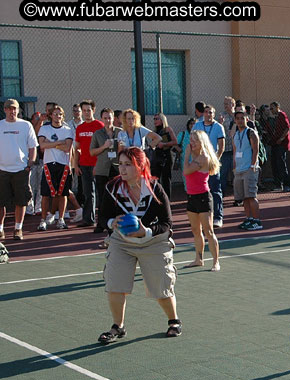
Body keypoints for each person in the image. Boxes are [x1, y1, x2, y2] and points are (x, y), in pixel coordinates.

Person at [97, 146, 181, 344]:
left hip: (153, 242)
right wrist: (112, 223)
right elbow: (102, 217)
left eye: (128, 164)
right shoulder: (112, 188)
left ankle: (173, 320)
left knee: (161, 286)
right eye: (121, 165)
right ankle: (118, 326)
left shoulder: (154, 188)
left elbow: (167, 225)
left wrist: (147, 231)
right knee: (115, 284)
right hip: (122, 242)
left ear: (140, 165)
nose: (122, 169)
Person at [0, 99, 38, 241]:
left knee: (21, 200)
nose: (12, 111)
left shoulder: (26, 125)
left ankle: (18, 229)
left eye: (14, 109)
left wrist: (29, 164)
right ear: (4, 110)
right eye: (9, 108)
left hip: (21, 170)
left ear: (18, 110)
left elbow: (33, 147)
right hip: (2, 170)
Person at [184, 130, 221, 271]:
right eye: (191, 140)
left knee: (209, 231)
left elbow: (186, 171)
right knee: (195, 230)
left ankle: (215, 261)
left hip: (203, 197)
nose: (191, 143)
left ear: (202, 143)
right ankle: (199, 259)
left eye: (195, 140)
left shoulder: (203, 158)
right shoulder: (194, 155)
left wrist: (186, 154)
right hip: (192, 197)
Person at [37, 105, 74, 231]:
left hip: (63, 165)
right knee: (45, 194)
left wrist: (51, 144)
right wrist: (59, 143)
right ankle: (43, 220)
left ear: (63, 116)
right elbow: (42, 145)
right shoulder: (44, 128)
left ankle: (61, 219)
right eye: (55, 114)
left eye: (60, 114)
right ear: (51, 115)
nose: (57, 116)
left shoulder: (67, 130)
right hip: (48, 165)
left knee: (62, 193)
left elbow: (67, 148)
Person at [90, 108, 124, 233]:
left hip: (116, 169)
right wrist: (104, 147)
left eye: (109, 117)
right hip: (102, 170)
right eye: (105, 118)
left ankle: (117, 222)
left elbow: (124, 149)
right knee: (102, 198)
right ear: (101, 119)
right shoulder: (97, 134)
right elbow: (92, 152)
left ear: (113, 118)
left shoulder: (120, 132)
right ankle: (101, 223)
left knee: (117, 197)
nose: (107, 120)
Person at [192, 105, 226, 228]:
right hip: (199, 163)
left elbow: (221, 146)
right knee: (201, 190)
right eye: (206, 112)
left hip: (212, 163)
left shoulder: (218, 127)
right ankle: (202, 217)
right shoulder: (197, 126)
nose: (208, 114)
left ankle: (218, 217)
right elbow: (192, 143)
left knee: (215, 190)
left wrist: (215, 160)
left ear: (214, 114)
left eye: (210, 112)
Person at [74, 99, 104, 228]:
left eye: (88, 110)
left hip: (99, 165)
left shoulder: (99, 126)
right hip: (84, 165)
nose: (86, 113)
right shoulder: (80, 128)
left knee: (102, 193)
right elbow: (77, 149)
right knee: (87, 193)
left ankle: (104, 220)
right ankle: (88, 219)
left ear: (93, 110)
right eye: (84, 110)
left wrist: (100, 164)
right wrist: (75, 165)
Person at [232, 110, 263, 231]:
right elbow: (235, 152)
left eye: (242, 118)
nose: (240, 120)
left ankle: (256, 220)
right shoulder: (235, 134)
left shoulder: (251, 133)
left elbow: (256, 150)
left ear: (247, 119)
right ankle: (249, 218)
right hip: (239, 169)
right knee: (244, 197)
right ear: (235, 120)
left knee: (251, 195)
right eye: (238, 118)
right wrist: (234, 167)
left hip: (249, 169)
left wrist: (252, 165)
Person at [151, 113, 178, 199]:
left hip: (166, 155)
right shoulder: (154, 131)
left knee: (166, 179)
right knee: (155, 177)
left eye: (157, 119)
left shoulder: (167, 129)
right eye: (154, 119)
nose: (155, 121)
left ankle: (167, 199)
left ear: (162, 120)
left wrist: (164, 144)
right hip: (157, 156)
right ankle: (157, 198)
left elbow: (175, 142)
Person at [175, 117, 197, 192]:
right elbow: (175, 144)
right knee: (186, 175)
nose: (192, 125)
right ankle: (187, 190)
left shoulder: (199, 134)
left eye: (194, 123)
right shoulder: (183, 134)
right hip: (184, 158)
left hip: (196, 158)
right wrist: (179, 150)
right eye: (191, 123)